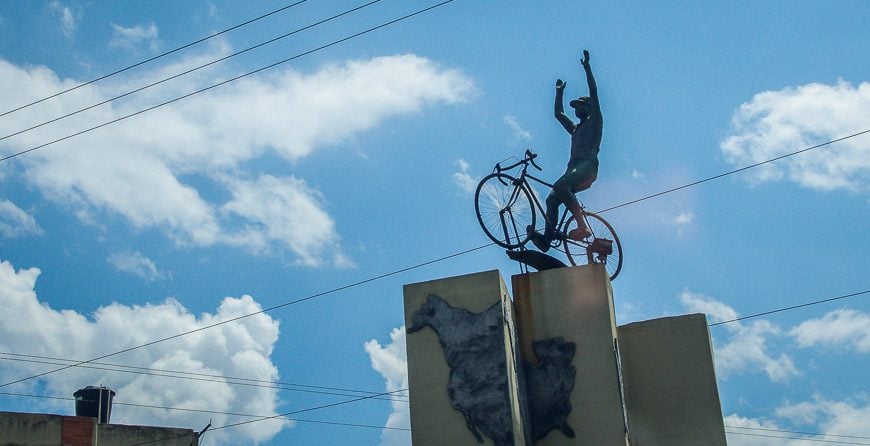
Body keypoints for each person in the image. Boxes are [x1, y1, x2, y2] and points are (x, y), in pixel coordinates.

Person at [529, 49, 602, 252]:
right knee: (552, 198)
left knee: (561, 187)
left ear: (588, 107)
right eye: (576, 106)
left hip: (587, 166)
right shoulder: (576, 129)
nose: (577, 109)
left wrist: (587, 67)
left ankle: (582, 226)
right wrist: (559, 92)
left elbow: (594, 92)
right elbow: (558, 114)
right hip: (573, 168)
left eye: (580, 105)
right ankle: (546, 241)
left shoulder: (594, 122)